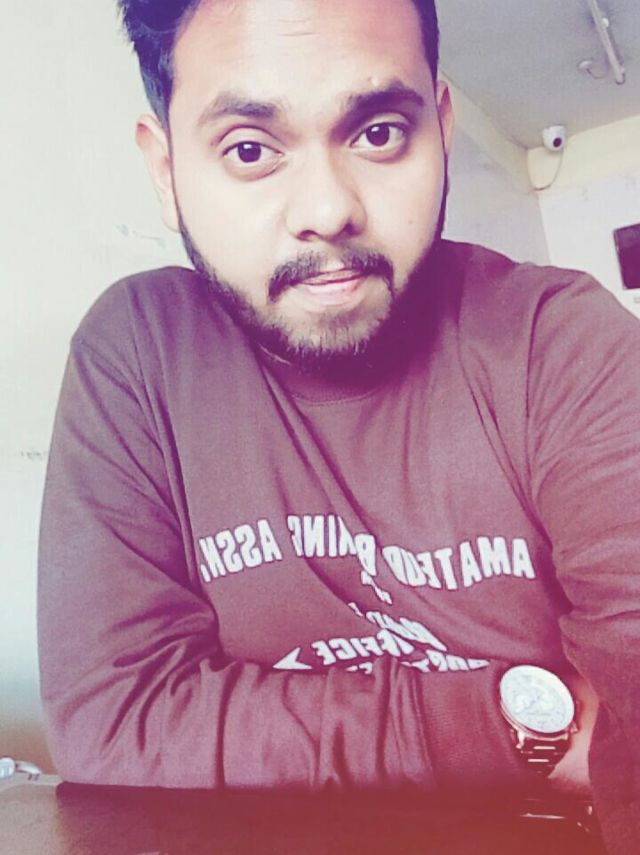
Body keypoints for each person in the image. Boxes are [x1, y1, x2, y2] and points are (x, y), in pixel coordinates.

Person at [38, 0, 639, 851]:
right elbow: (115, 718)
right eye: (250, 149)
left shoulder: (560, 341)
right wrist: (515, 719)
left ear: (441, 128)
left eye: (379, 133)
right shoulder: (140, 354)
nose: (326, 208)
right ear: (167, 171)